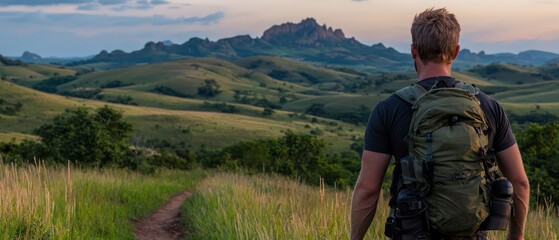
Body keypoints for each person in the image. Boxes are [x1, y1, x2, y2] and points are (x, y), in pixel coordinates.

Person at [350, 7, 530, 240]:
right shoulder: (488, 106)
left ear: (413, 51)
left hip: (411, 232)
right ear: (455, 52)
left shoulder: (388, 109)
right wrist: (516, 238)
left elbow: (368, 190)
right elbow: (520, 182)